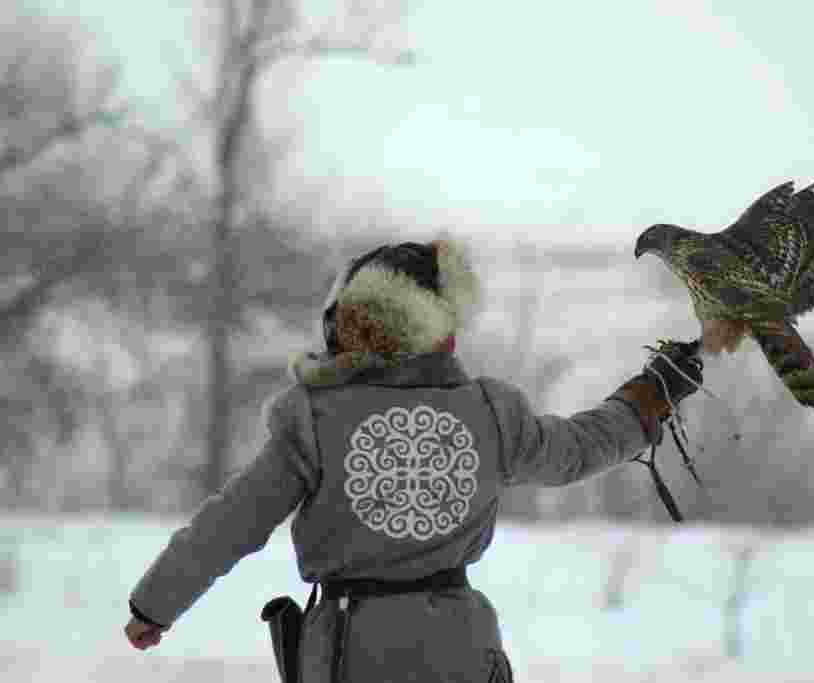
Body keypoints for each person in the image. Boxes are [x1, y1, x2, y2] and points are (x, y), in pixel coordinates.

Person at [123, 236, 704, 683]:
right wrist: (643, 404)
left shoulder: (315, 417)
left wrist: (155, 604)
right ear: (444, 332)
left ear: (347, 324)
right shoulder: (490, 413)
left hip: (352, 654)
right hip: (463, 650)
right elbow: (576, 450)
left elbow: (233, 522)